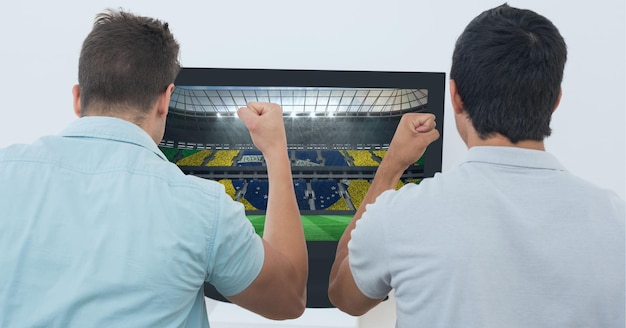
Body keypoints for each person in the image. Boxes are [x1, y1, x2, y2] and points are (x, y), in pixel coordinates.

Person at [0, 9, 307, 327]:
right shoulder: (202, 206)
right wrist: (275, 151)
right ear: (165, 100)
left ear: (78, 98)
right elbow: (288, 297)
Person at [328, 4, 625, 327]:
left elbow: (344, 296)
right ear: (555, 100)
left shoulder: (400, 213)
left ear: (455, 96)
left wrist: (391, 167)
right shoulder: (616, 219)